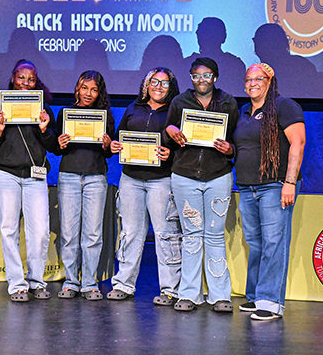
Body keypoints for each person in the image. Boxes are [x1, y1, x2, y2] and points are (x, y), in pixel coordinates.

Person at [164, 57, 238, 313]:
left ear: (215, 77)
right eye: (196, 76)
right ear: (191, 78)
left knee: (215, 237)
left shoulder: (229, 102)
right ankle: (189, 294)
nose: (202, 80)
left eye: (207, 75)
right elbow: (168, 130)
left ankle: (219, 296)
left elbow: (238, 140)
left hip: (218, 174)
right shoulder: (179, 101)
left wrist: (231, 149)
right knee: (192, 237)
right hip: (185, 175)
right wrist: (171, 130)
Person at [234, 63, 305, 321]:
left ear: (270, 80)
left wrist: (290, 182)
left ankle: (271, 302)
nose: (252, 83)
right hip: (246, 185)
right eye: (248, 79)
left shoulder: (284, 106)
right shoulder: (243, 112)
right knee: (256, 243)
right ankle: (255, 296)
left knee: (274, 242)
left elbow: (298, 142)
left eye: (258, 79)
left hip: (274, 185)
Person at [107, 67, 182, 305]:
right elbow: (119, 138)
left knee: (166, 235)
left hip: (162, 180)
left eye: (164, 83)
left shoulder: (176, 112)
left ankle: (170, 289)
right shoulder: (132, 108)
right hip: (131, 179)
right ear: (146, 85)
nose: (158, 86)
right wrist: (115, 146)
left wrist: (171, 153)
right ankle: (123, 284)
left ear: (172, 87)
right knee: (130, 233)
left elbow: (185, 147)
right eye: (154, 82)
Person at [0, 59, 58, 302]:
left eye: (31, 79)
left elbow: (55, 147)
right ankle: (17, 284)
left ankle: (36, 281)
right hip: (7, 174)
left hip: (34, 176)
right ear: (12, 78)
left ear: (36, 81)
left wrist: (44, 129)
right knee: (9, 230)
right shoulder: (0, 107)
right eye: (21, 78)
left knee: (39, 232)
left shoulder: (44, 110)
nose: (26, 83)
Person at [55, 70, 115, 301]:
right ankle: (71, 281)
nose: (88, 93)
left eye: (93, 89)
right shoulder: (65, 114)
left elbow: (109, 154)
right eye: (84, 88)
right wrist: (59, 144)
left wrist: (107, 145)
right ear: (77, 89)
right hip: (69, 176)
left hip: (95, 177)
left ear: (99, 92)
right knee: (69, 233)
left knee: (92, 234)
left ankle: (90, 283)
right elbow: (57, 147)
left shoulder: (105, 116)